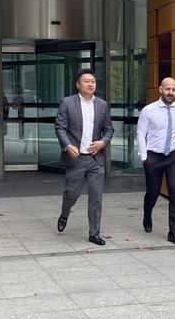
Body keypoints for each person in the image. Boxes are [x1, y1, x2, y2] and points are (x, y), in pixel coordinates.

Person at [55, 68, 114, 245]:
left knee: (96, 196)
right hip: (77, 158)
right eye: (86, 81)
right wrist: (67, 145)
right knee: (71, 194)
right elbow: (60, 127)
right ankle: (65, 214)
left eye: (93, 81)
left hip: (96, 159)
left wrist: (103, 142)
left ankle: (94, 233)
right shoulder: (67, 103)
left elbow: (109, 129)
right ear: (78, 84)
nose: (90, 84)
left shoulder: (102, 105)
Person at [136, 77, 175, 245]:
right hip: (153, 156)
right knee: (153, 193)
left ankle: (173, 232)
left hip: (174, 155)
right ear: (160, 89)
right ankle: (147, 215)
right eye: (167, 89)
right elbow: (141, 134)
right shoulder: (148, 110)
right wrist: (144, 157)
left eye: (174, 89)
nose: (170, 92)